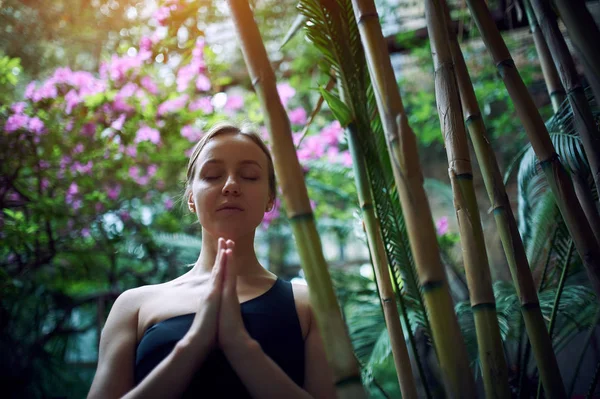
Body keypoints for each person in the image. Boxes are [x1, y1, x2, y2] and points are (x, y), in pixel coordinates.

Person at [87, 123, 337, 398]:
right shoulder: (133, 307)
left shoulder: (311, 305)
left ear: (270, 198)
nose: (231, 185)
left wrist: (241, 345)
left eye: (250, 176)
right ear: (191, 197)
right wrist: (193, 344)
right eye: (213, 175)